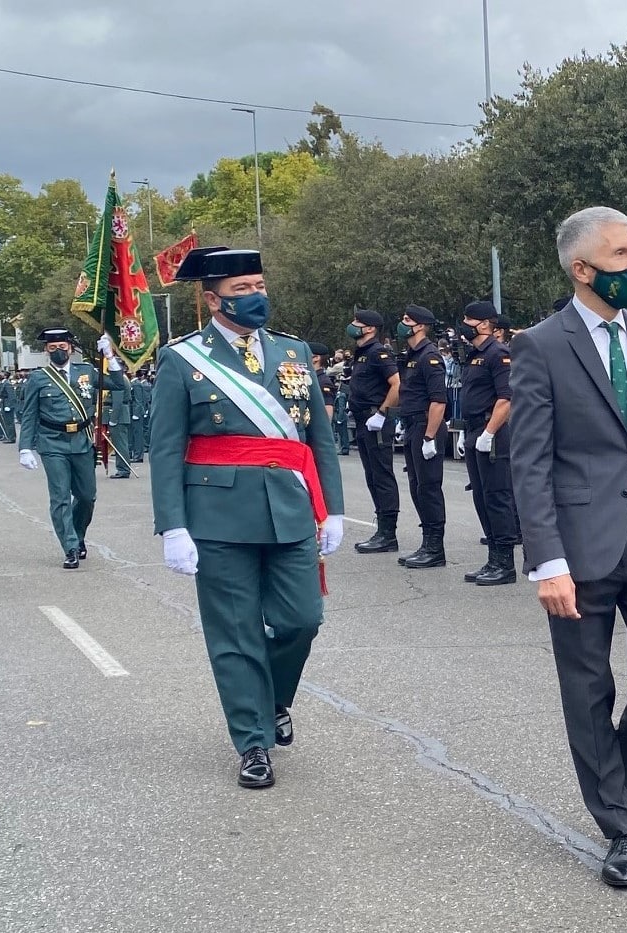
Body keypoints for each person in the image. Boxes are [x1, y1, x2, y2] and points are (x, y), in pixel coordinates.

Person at [510, 207, 627, 890]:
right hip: (579, 548)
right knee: (587, 689)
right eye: (620, 255)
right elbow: (530, 462)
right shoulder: (541, 345)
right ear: (582, 270)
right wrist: (547, 560)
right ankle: (618, 822)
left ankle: (619, 776)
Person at [148, 246, 345, 790]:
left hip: (291, 505)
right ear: (213, 299)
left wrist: (334, 509)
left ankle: (273, 699)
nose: (256, 297)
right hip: (217, 513)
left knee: (303, 619)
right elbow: (166, 448)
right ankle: (253, 741)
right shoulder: (183, 358)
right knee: (234, 634)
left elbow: (317, 437)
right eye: (242, 290)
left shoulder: (293, 352)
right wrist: (174, 525)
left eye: (259, 285)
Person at [18, 329, 126, 568]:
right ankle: (70, 547)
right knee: (60, 497)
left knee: (87, 496)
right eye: (52, 348)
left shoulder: (86, 371)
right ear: (46, 350)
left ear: (71, 347)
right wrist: (25, 447)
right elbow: (29, 415)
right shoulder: (38, 378)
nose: (58, 351)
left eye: (62, 347)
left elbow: (119, 385)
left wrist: (109, 356)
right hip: (52, 442)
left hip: (82, 440)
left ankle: (78, 535)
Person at [457, 300, 521, 584]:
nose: (464, 325)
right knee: (481, 496)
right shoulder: (473, 355)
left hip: (491, 432)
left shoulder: (499, 354)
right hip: (474, 429)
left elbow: (505, 398)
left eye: (469, 320)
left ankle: (504, 563)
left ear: (484, 324)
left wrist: (489, 432)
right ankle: (492, 557)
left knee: (497, 497)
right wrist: (463, 431)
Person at [394, 305, 451, 570]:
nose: (402, 323)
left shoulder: (430, 357)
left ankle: (435, 548)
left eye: (407, 320)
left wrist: (429, 437)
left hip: (425, 426)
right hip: (412, 425)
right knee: (417, 486)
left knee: (428, 487)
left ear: (420, 326)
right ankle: (427, 542)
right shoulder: (411, 356)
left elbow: (438, 401)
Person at [347, 308, 402, 553]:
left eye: (359, 322)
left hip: (375, 420)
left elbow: (397, 384)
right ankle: (382, 528)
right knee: (372, 477)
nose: (353, 324)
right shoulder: (361, 353)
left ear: (370, 328)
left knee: (382, 476)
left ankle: (388, 533)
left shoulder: (378, 352)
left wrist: (381, 413)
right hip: (362, 420)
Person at [104, 361, 134, 479]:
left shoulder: (119, 379)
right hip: (120, 414)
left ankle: (123, 469)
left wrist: (113, 418)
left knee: (120, 444)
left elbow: (117, 401)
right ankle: (122, 468)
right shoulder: (122, 378)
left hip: (118, 415)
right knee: (120, 443)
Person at [130, 367, 152, 463]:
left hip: (137, 412)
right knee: (134, 434)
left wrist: (136, 413)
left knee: (138, 434)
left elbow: (139, 400)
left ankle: (138, 455)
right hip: (134, 411)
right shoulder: (134, 383)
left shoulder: (136, 384)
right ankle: (135, 453)